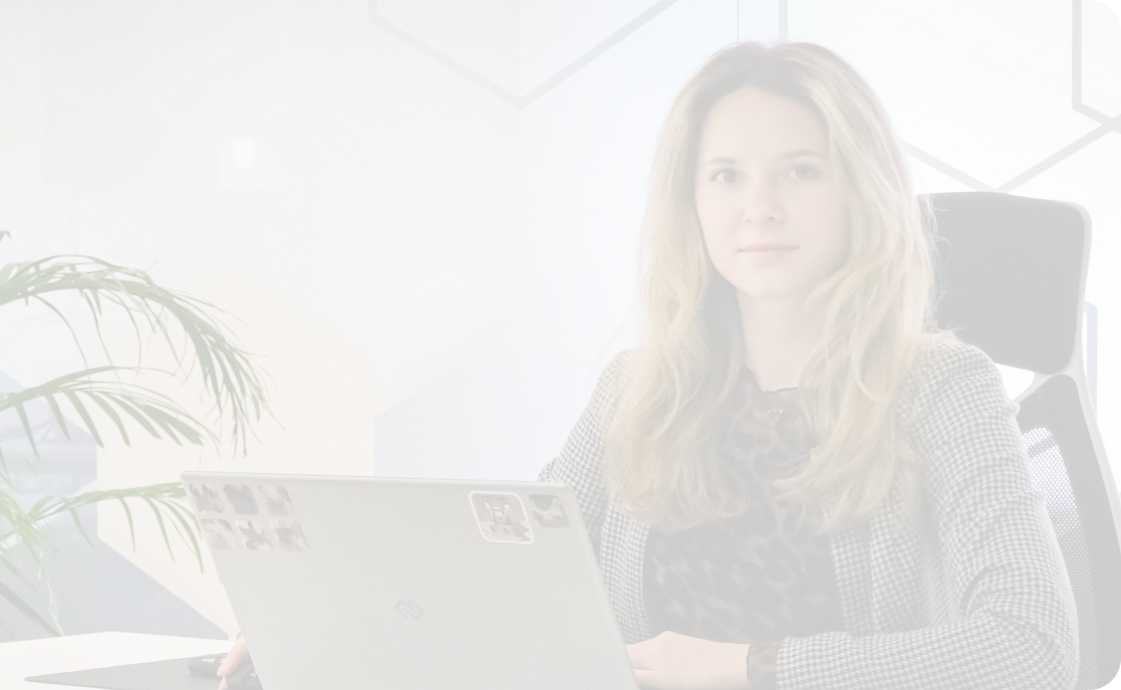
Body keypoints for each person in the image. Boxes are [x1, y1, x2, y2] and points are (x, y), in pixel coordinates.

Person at [216, 40, 1080, 690]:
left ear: (861, 191)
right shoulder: (637, 389)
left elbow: (1031, 646)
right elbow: (515, 563)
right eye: (726, 176)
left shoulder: (941, 389)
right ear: (690, 202)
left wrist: (749, 667)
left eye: (801, 171)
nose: (760, 207)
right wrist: (338, 626)